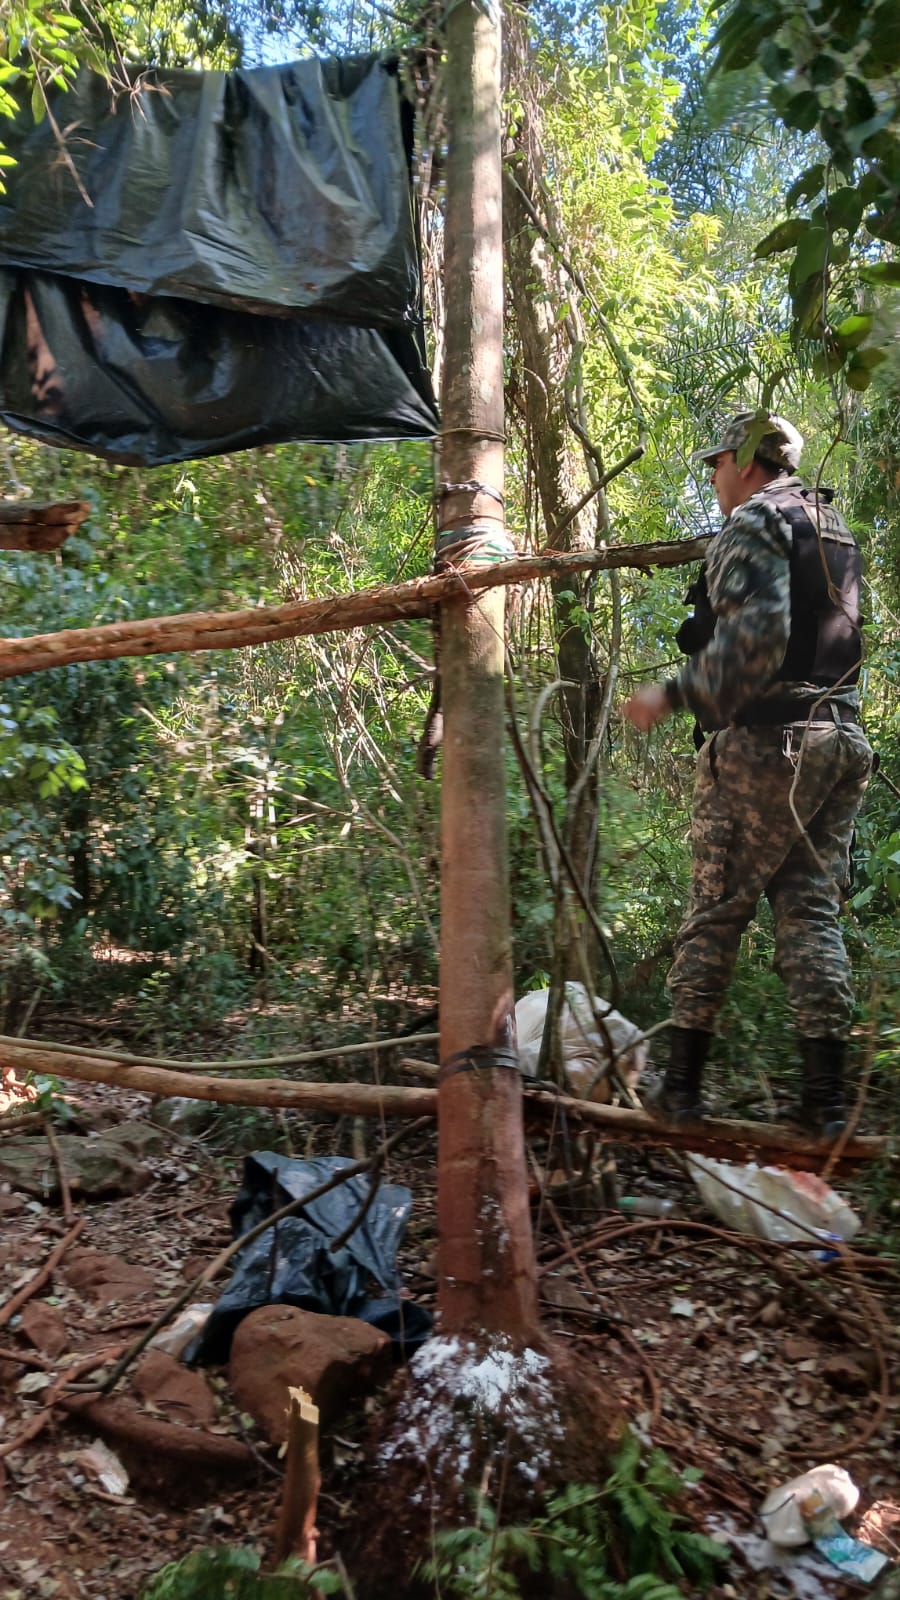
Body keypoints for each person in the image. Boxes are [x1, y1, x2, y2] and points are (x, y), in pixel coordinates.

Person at [622, 411, 873, 1138]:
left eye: (716, 463)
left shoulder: (754, 521)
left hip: (769, 745)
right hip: (839, 738)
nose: (711, 477)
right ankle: (825, 1107)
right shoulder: (832, 527)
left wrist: (670, 695)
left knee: (716, 905)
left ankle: (683, 1091)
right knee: (808, 911)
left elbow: (758, 641)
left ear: (745, 459)